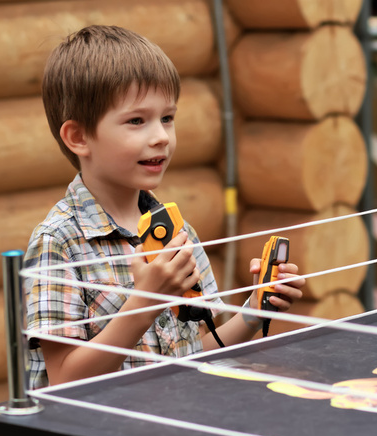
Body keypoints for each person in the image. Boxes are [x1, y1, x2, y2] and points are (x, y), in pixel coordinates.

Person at [24, 25, 305, 389]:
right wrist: (146, 302)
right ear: (78, 137)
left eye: (167, 118)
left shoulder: (177, 232)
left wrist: (254, 310)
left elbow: (194, 355)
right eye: (137, 121)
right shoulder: (57, 242)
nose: (161, 137)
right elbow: (64, 377)